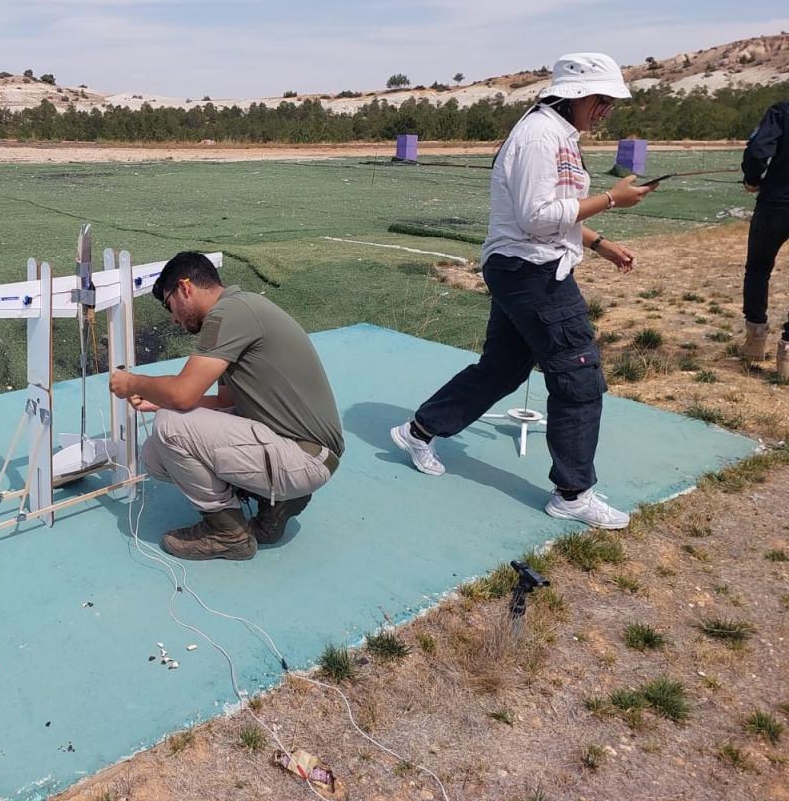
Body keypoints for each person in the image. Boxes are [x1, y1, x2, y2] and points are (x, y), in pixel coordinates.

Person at [390, 52, 656, 529]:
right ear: (575, 95)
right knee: (579, 376)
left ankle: (419, 431)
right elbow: (536, 219)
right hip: (531, 272)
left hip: (528, 267)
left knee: (501, 369)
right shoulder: (539, 137)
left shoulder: (555, 133)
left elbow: (557, 209)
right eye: (601, 101)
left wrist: (599, 244)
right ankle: (572, 494)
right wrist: (614, 199)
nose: (605, 111)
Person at [108, 252, 343, 560]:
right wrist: (159, 398)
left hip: (304, 457)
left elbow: (183, 394)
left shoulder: (229, 314)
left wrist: (133, 383)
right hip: (304, 451)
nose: (174, 318)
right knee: (155, 454)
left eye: (170, 306)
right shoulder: (240, 308)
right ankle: (274, 503)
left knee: (170, 423)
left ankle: (228, 533)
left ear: (185, 288)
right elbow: (225, 400)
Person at [739, 99, 789, 377]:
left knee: (758, 269)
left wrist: (752, 180)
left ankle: (755, 342)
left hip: (775, 204)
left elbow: (758, 150)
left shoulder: (781, 111)